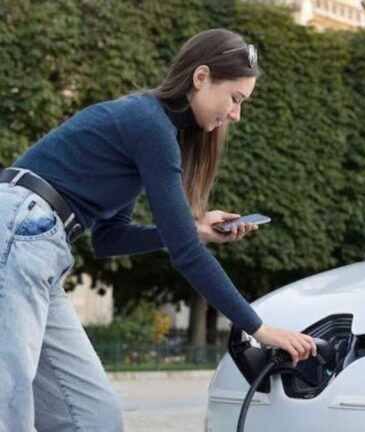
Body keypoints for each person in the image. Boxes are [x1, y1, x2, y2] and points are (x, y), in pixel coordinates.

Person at [0, 28, 316, 431]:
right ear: (201, 78)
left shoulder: (148, 132)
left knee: (93, 416)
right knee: (8, 409)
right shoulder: (148, 123)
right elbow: (185, 254)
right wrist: (258, 327)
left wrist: (196, 230)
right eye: (235, 99)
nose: (235, 114)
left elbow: (108, 239)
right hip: (16, 230)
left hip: (41, 247)